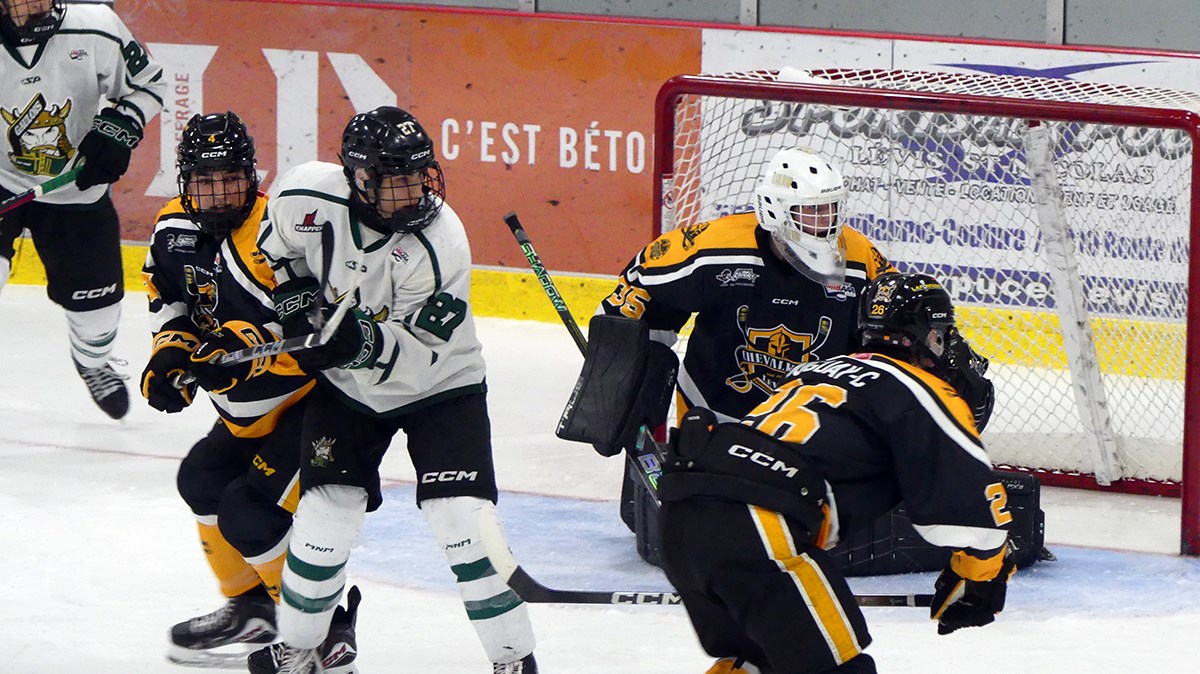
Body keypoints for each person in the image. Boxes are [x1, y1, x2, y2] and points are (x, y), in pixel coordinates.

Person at [252, 105, 538, 674]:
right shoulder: (305, 196)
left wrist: (352, 342)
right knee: (324, 522)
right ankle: (301, 646)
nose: (414, 191)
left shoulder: (443, 243)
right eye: (395, 180)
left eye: (418, 174)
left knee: (463, 524)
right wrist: (296, 301)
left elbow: (420, 357)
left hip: (443, 387)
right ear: (357, 178)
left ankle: (513, 659)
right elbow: (277, 251)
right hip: (348, 394)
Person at [655, 271, 1014, 674]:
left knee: (761, 664)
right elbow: (970, 510)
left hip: (680, 516)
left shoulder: (811, 372)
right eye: (940, 335)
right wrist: (982, 574)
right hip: (759, 524)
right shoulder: (924, 389)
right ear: (926, 337)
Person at [139, 112, 359, 670]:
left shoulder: (278, 230)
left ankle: (326, 631)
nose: (217, 194)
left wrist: (240, 352)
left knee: (251, 514)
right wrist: (169, 352)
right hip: (247, 413)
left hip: (314, 405)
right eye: (204, 182)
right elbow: (172, 302)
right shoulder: (173, 232)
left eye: (230, 178)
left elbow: (311, 331)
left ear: (251, 175)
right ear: (185, 181)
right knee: (202, 481)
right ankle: (253, 609)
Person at [596, 147, 897, 543]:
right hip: (715, 420)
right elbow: (630, 304)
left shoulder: (860, 258)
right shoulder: (710, 248)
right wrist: (623, 385)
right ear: (774, 209)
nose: (825, 223)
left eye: (831, 209)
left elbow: (891, 339)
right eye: (812, 211)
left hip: (811, 428)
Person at [0, 0, 164, 419]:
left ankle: (92, 363)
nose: (39, 3)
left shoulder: (95, 27)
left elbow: (149, 83)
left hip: (74, 188)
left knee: (99, 315)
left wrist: (120, 127)